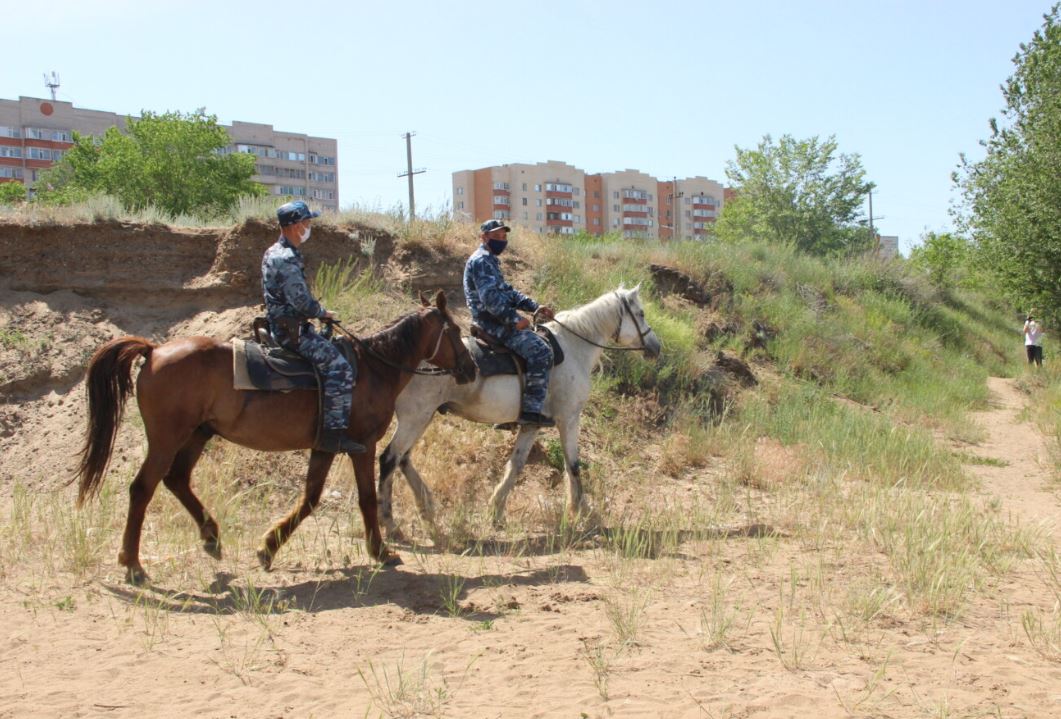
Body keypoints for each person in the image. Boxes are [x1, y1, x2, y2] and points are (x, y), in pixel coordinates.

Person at [261, 200, 364, 454]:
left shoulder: (273, 251)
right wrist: (322, 312)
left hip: (284, 324)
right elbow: (300, 301)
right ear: (296, 226)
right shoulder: (285, 258)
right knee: (340, 369)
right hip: (292, 333)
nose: (309, 227)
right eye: (307, 222)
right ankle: (333, 436)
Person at [464, 219, 557, 427]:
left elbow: (508, 293)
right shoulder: (481, 261)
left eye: (504, 236)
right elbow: (490, 300)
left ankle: (508, 414)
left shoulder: (490, 261)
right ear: (484, 237)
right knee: (541, 352)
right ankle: (531, 413)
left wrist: (534, 307)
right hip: (492, 323)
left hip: (496, 319)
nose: (501, 240)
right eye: (496, 236)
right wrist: (515, 320)